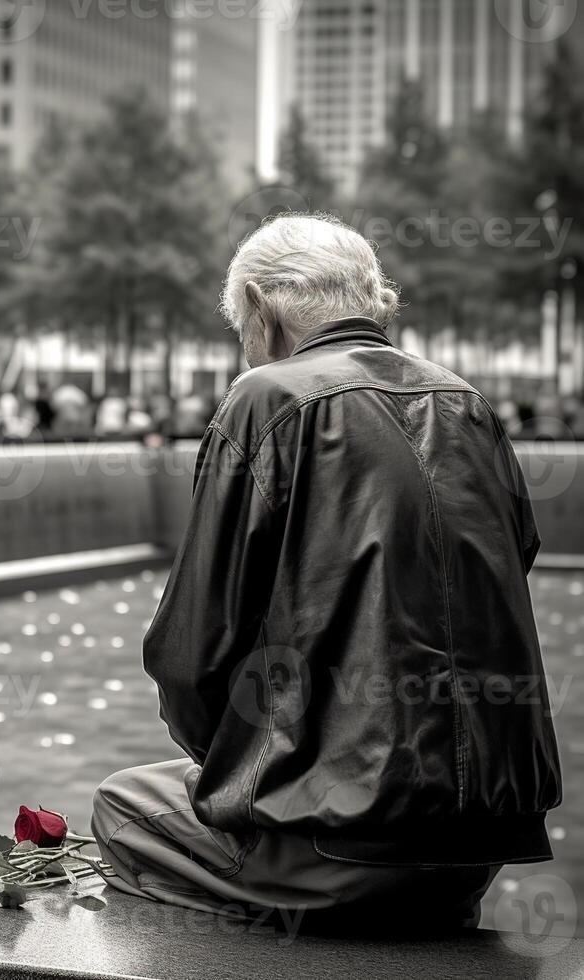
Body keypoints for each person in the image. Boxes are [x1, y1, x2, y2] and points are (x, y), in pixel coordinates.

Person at [92, 213, 562, 933]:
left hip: (333, 842)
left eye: (239, 327)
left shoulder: (266, 399)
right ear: (372, 300)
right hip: (482, 845)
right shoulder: (466, 401)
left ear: (259, 305)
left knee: (121, 805)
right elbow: (512, 569)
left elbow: (190, 655)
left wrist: (243, 765)